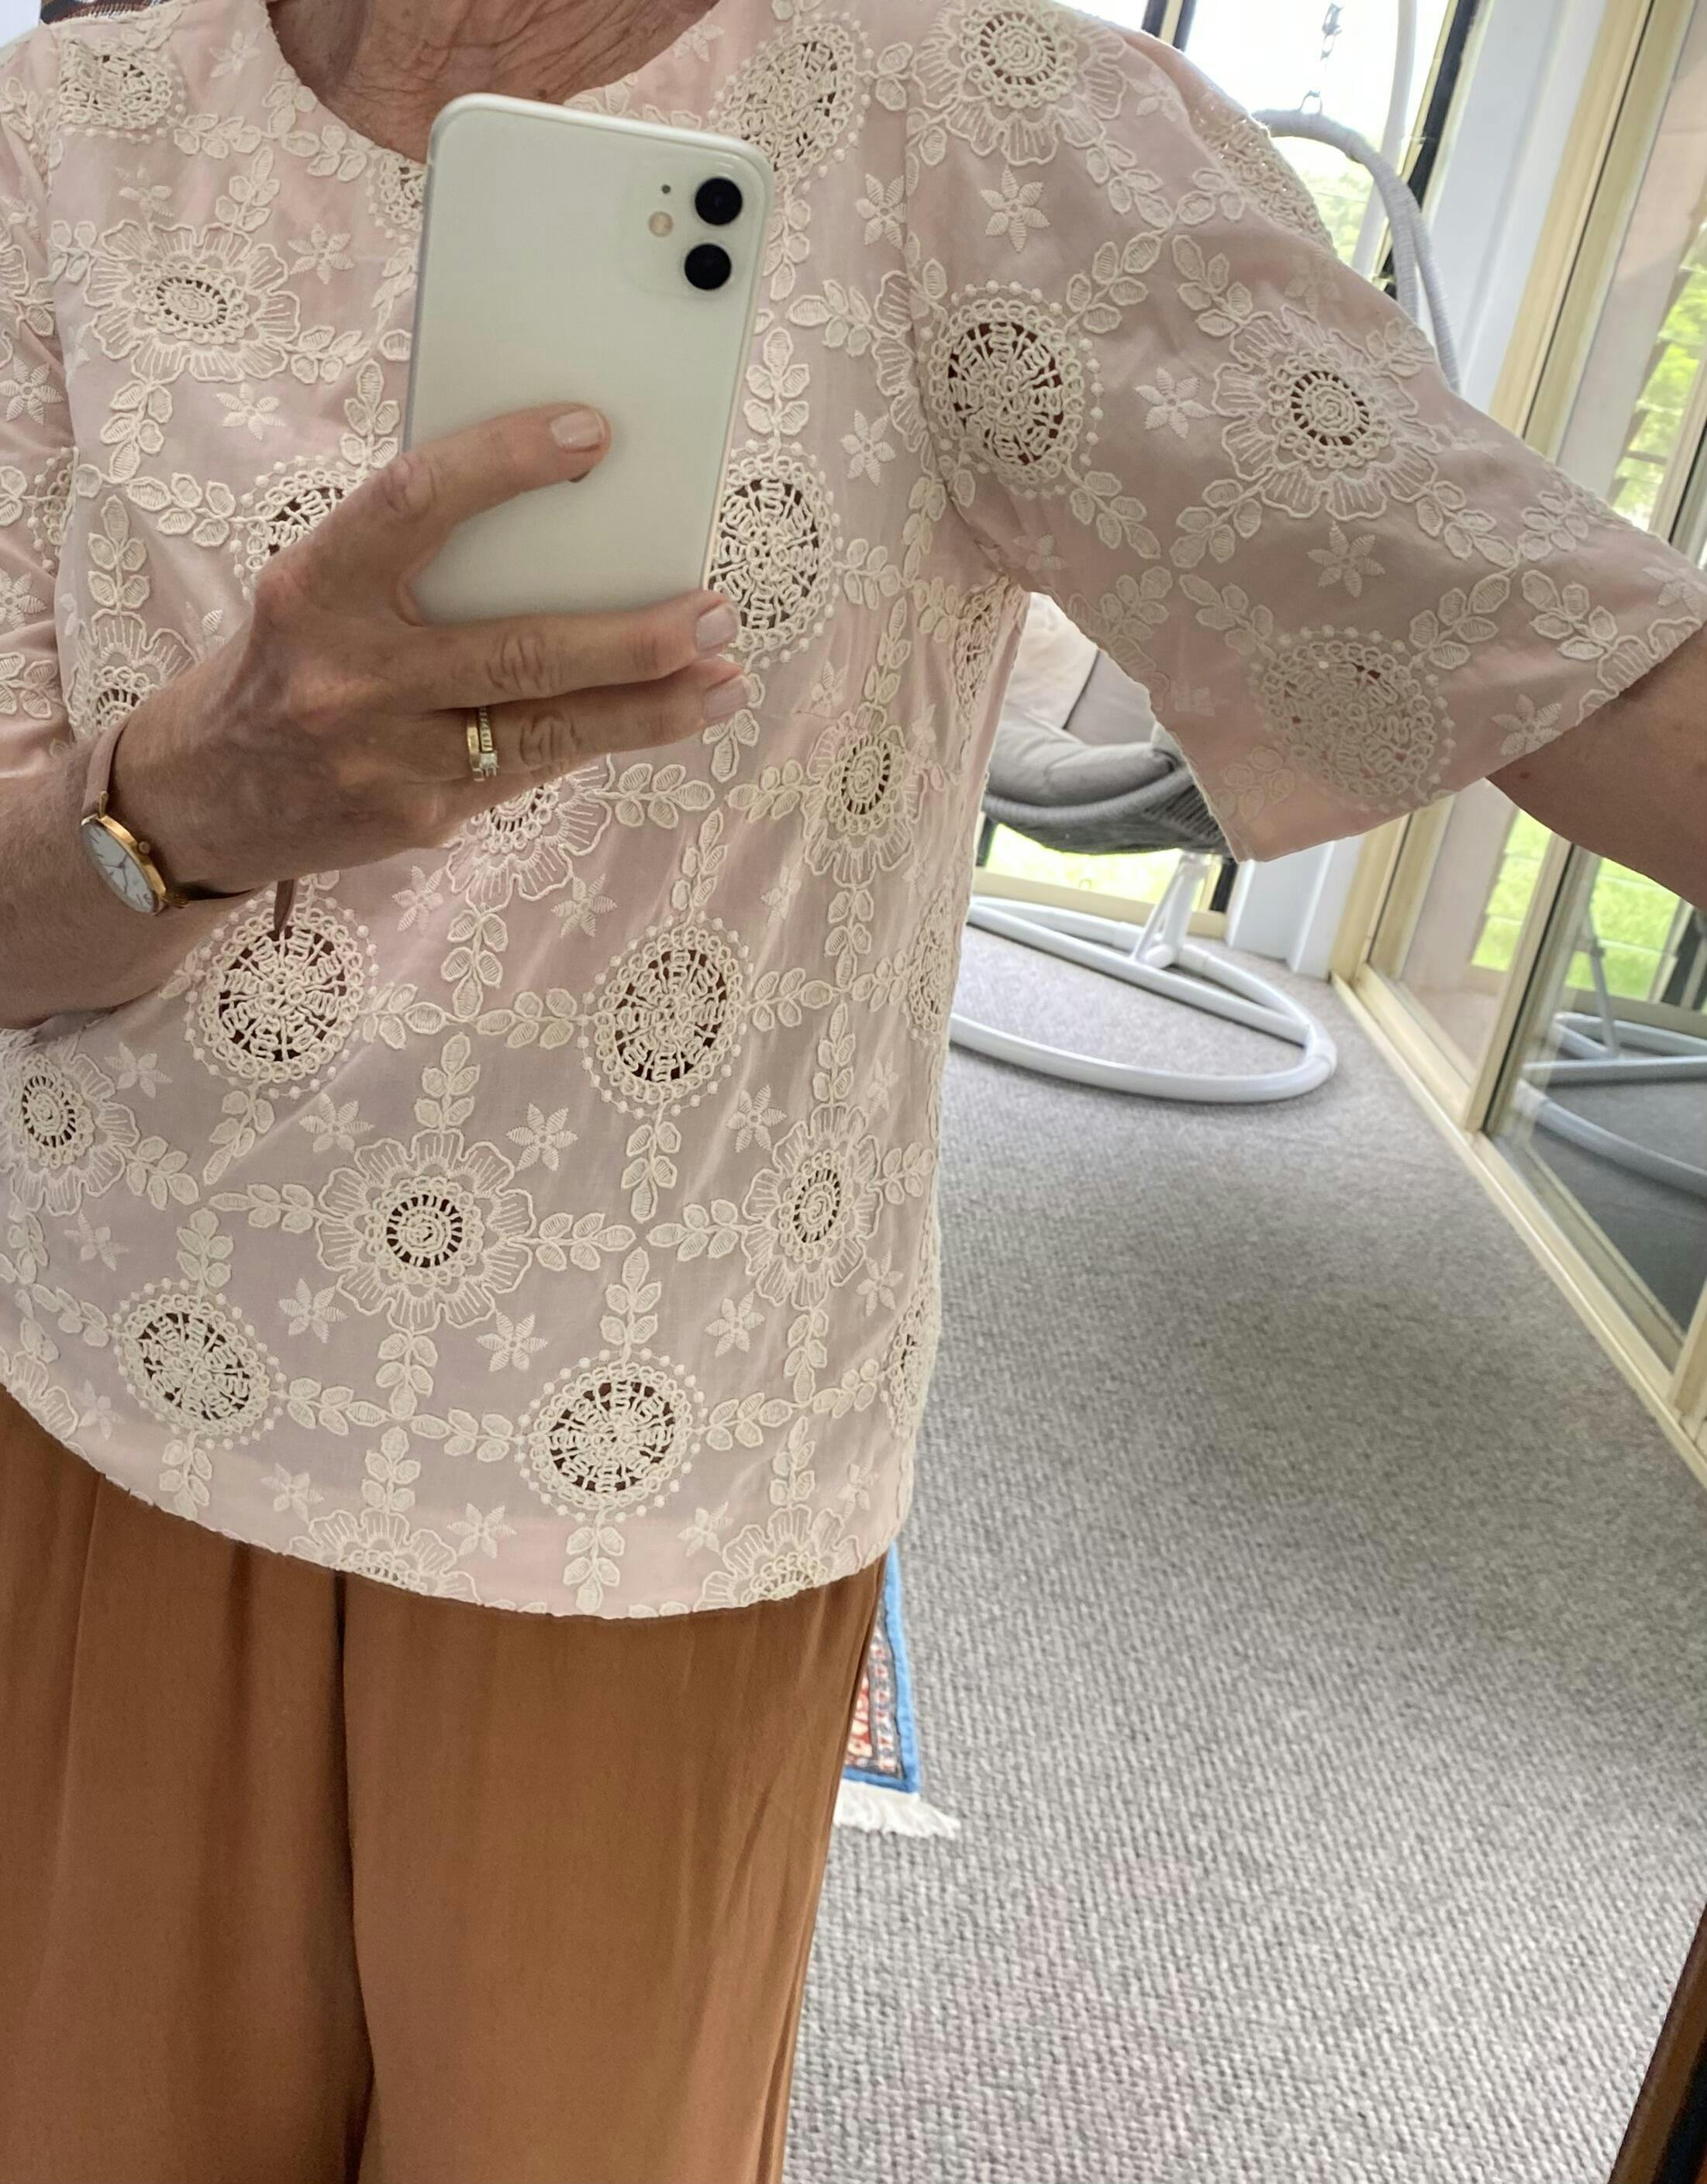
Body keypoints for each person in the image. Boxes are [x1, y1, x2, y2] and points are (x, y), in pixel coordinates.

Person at [0, 0, 1702, 2175]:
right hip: (102, 1415)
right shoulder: (65, 130)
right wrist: (185, 802)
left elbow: (1557, 646)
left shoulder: (966, 112)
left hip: (647, 1521)